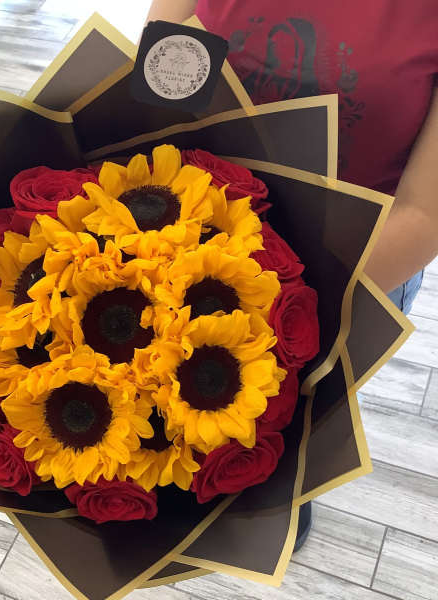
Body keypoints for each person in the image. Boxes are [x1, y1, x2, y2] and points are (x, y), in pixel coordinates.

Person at [146, 0, 438, 547]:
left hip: (351, 277)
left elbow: (423, 215)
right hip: (183, 251)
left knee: (295, 420)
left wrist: (275, 304)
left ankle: (287, 489)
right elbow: (157, 84)